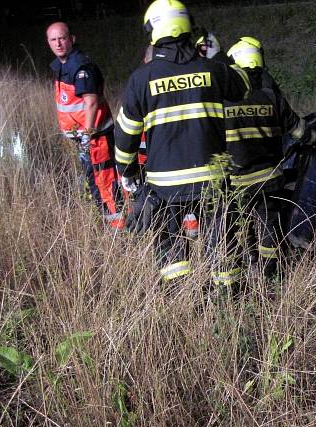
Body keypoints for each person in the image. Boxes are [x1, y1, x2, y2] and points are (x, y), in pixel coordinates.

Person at [114, 0, 249, 282]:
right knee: (222, 245)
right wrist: (219, 56)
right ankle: (227, 302)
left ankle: (180, 301)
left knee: (172, 252)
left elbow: (125, 134)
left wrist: (127, 172)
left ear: (152, 30)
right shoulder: (212, 69)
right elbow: (244, 87)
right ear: (188, 26)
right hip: (212, 180)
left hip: (164, 185)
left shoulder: (141, 79)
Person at [221, 36, 313, 280]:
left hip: (235, 180)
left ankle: (247, 265)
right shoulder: (272, 96)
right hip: (269, 177)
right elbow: (299, 132)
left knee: (240, 226)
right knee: (269, 223)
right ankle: (270, 273)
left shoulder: (223, 99)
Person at [46, 21, 124, 229]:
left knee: (105, 179)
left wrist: (87, 135)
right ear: (48, 43)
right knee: (95, 180)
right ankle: (109, 220)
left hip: (95, 138)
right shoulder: (62, 66)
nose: (58, 43)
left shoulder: (81, 67)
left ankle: (119, 226)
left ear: (72, 38)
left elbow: (90, 102)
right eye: (53, 40)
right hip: (83, 140)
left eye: (62, 38)